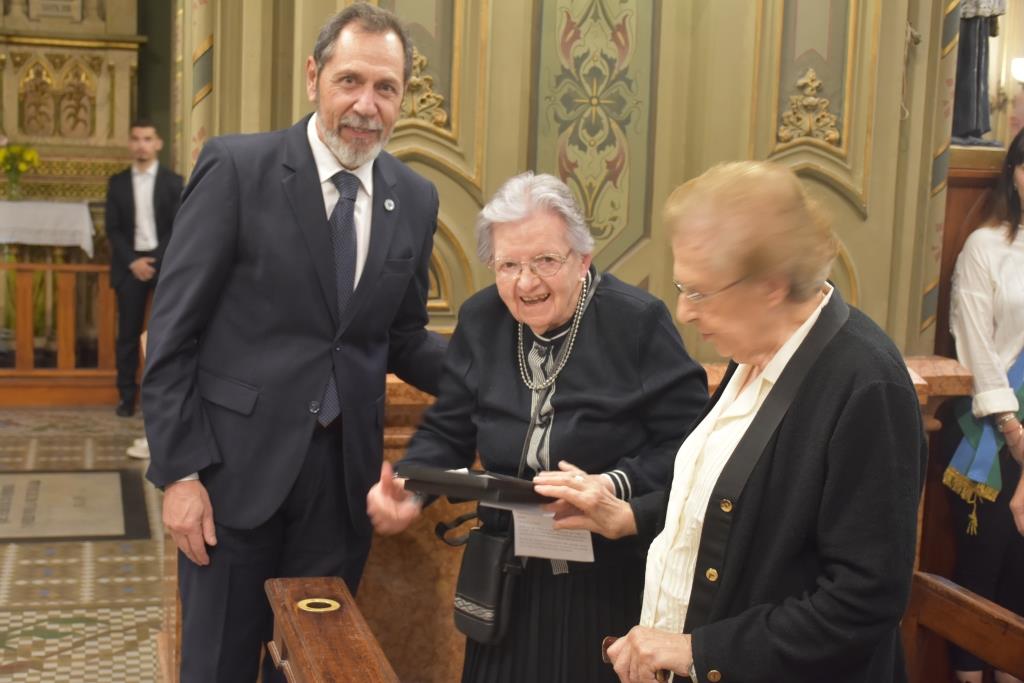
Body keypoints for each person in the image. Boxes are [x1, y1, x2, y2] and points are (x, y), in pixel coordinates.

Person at [141, 4, 446, 681]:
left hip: (342, 490)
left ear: (402, 96)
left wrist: (503, 374)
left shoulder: (415, 198)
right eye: (350, 81)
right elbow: (172, 335)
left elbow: (404, 337)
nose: (366, 105)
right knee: (217, 665)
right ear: (314, 76)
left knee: (315, 666)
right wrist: (180, 473)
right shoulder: (237, 168)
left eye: (386, 88)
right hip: (230, 483)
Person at [535, 161, 927, 683]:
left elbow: (864, 601)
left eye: (698, 292)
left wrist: (698, 651)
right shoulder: (755, 344)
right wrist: (625, 516)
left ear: (770, 284)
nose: (684, 311)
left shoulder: (866, 384)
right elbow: (729, 509)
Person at [367, 171, 708, 683]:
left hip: (605, 577)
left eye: (546, 261)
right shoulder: (483, 319)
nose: (526, 283)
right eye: (508, 265)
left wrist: (610, 485)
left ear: (583, 259)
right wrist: (412, 487)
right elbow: (449, 427)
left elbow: (689, 447)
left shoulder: (637, 322)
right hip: (506, 574)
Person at [947, 126, 1024, 683]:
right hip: (994, 440)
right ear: (1014, 174)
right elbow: (974, 339)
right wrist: (1013, 426)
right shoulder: (987, 246)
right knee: (982, 583)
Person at [104, 120, 182, 417]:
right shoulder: (118, 183)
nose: (141, 145)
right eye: (136, 139)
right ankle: (126, 397)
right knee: (127, 334)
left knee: (167, 334)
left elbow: (179, 227)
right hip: (129, 266)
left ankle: (163, 399)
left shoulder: (174, 182)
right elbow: (112, 229)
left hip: (165, 265)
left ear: (158, 143)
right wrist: (133, 262)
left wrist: (156, 260)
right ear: (130, 143)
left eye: (147, 139)